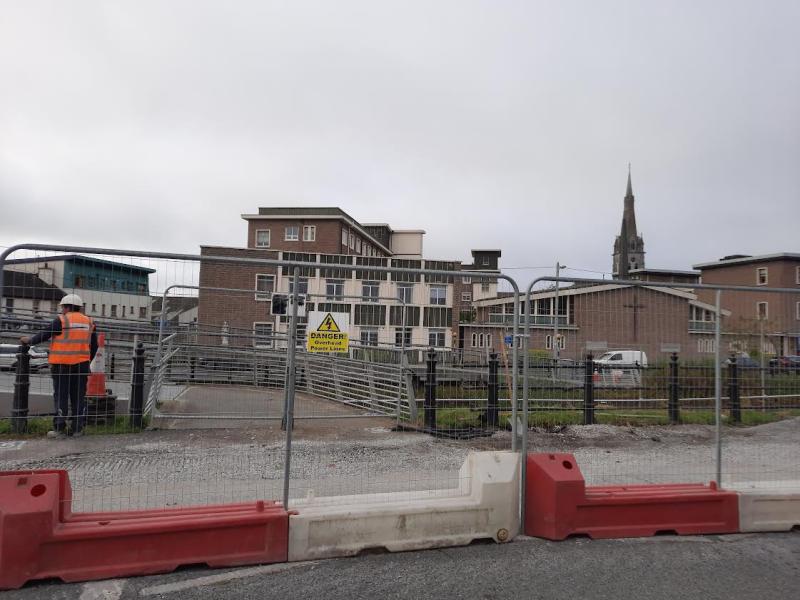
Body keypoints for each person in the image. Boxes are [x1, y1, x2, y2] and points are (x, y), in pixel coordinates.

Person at [21, 294, 98, 439]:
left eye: (62, 307)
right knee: (78, 397)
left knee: (61, 397)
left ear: (67, 307)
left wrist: (30, 340)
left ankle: (59, 429)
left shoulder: (62, 320)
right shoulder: (89, 321)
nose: (61, 310)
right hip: (81, 366)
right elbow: (94, 345)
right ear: (79, 307)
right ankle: (77, 429)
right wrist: (87, 360)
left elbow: (45, 334)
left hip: (62, 366)